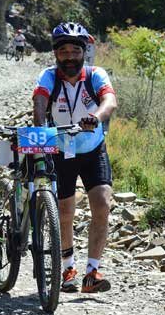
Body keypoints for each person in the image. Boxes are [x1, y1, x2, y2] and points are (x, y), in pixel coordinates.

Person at [32, 22, 117, 293]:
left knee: (102, 205)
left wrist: (96, 117)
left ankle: (92, 273)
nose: (69, 57)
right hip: (62, 149)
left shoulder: (95, 75)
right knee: (66, 211)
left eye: (75, 51)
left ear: (83, 52)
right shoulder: (49, 76)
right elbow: (40, 101)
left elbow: (110, 101)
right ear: (56, 54)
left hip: (93, 149)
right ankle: (68, 267)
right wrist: (39, 129)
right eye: (63, 51)